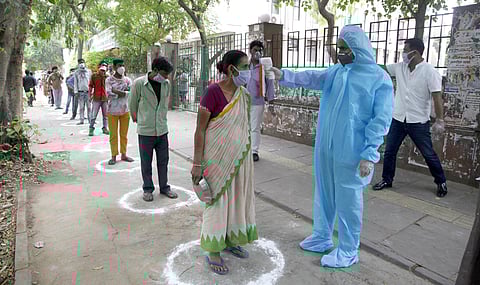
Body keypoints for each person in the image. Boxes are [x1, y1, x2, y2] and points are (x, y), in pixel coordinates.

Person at [271, 25, 394, 268]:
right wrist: (283, 74)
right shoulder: (338, 71)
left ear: (358, 49)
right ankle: (322, 236)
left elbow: (381, 119)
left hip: (352, 151)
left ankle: (348, 249)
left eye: (345, 49)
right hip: (326, 148)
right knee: (324, 192)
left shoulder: (378, 79)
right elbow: (313, 77)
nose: (341, 53)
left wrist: (370, 154)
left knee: (348, 199)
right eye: (339, 48)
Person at [192, 50, 258, 275]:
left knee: (237, 199)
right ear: (231, 69)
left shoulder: (244, 95)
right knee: (217, 201)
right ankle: (213, 249)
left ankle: (231, 240)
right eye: (246, 66)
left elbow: (245, 128)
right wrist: (197, 163)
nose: (249, 71)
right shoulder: (213, 92)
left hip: (239, 160)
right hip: (216, 158)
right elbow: (200, 130)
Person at [372, 38, 448, 198]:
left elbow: (437, 97)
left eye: (405, 50)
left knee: (428, 153)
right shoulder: (400, 68)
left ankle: (440, 181)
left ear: (415, 52)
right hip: (398, 118)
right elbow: (379, 68)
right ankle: (387, 179)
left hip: (418, 121)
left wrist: (440, 120)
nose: (403, 54)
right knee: (390, 151)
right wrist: (363, 59)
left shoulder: (430, 72)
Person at [129, 57, 178, 202]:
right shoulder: (139, 84)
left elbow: (164, 104)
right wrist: (139, 119)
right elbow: (132, 104)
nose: (166, 77)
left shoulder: (166, 84)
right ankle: (148, 189)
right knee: (146, 161)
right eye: (164, 74)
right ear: (155, 70)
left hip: (162, 130)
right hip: (146, 131)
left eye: (168, 75)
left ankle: (164, 187)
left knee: (163, 161)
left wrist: (162, 119)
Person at [246, 40, 275, 162]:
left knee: (255, 127)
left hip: (258, 101)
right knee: (244, 126)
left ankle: (254, 151)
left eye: (259, 50)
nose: (257, 52)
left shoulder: (264, 66)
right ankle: (244, 150)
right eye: (255, 50)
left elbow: (270, 82)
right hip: (243, 101)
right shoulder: (245, 65)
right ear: (250, 51)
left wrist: (271, 98)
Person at [106, 58, 134, 165]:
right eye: (118, 65)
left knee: (124, 134)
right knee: (113, 135)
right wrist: (122, 93)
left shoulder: (127, 80)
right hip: (112, 111)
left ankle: (124, 154)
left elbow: (129, 92)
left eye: (122, 65)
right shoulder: (109, 80)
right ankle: (113, 156)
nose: (121, 67)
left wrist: (116, 91)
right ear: (114, 67)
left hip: (125, 111)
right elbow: (108, 94)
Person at [88, 61, 109, 136]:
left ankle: (105, 128)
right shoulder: (94, 76)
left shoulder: (107, 77)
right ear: (99, 68)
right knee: (94, 115)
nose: (103, 72)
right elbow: (90, 85)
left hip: (105, 98)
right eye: (102, 69)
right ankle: (91, 128)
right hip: (96, 98)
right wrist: (90, 95)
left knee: (105, 115)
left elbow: (110, 87)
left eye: (104, 70)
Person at [74, 58, 91, 124]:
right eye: (80, 62)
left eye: (82, 62)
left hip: (88, 92)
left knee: (89, 107)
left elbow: (91, 82)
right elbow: (76, 82)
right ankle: (81, 120)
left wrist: (92, 91)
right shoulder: (76, 72)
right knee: (81, 107)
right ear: (78, 64)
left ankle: (90, 120)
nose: (81, 63)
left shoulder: (89, 71)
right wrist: (76, 92)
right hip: (80, 92)